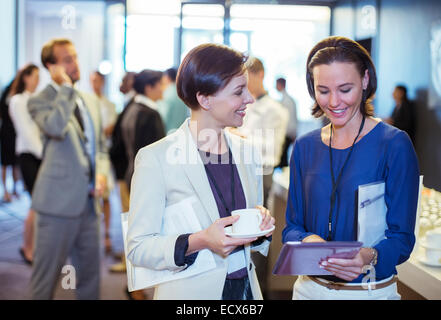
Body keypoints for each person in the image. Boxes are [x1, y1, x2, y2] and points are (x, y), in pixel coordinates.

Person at [126, 43, 275, 300]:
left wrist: (261, 225)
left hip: (247, 291)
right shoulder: (156, 158)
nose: (249, 99)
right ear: (204, 99)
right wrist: (201, 240)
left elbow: (250, 234)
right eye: (239, 91)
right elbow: (138, 247)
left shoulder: (247, 152)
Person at [282, 36, 420, 300]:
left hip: (369, 292)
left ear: (365, 81)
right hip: (308, 290)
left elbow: (402, 238)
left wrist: (369, 255)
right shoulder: (304, 146)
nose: (334, 102)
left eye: (345, 89)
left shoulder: (394, 145)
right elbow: (292, 226)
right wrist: (307, 241)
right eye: (323, 91)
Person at [28, 38, 109, 300]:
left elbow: (100, 148)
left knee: (89, 279)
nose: (75, 63)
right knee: (45, 281)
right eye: (67, 60)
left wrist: (101, 174)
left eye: (75, 57)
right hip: (56, 207)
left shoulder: (90, 100)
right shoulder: (39, 101)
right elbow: (55, 127)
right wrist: (64, 88)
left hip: (89, 205)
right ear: (51, 67)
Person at [235, 57, 288, 206]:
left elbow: (271, 149)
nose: (245, 85)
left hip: (262, 171)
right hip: (244, 168)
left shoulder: (275, 110)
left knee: (259, 218)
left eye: (248, 79)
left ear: (260, 75)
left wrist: (240, 137)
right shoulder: (247, 105)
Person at [8, 64, 41, 265]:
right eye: (35, 76)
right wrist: (44, 153)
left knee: (38, 204)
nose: (37, 80)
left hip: (36, 154)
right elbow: (27, 132)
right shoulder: (18, 100)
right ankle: (27, 247)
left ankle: (31, 246)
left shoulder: (31, 99)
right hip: (29, 155)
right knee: (36, 204)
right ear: (26, 78)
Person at [121, 69, 166, 190]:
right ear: (149, 88)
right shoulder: (150, 115)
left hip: (132, 175)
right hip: (146, 181)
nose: (163, 89)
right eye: (160, 84)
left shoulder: (132, 108)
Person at [90, 70, 117, 254]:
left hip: (105, 152)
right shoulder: (85, 101)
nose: (95, 84)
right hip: (90, 152)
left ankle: (106, 233)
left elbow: (111, 127)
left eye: (98, 81)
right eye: (93, 81)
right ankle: (91, 233)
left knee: (105, 194)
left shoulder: (109, 104)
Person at [0, 80, 20, 202]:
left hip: (15, 132)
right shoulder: (6, 94)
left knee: (14, 163)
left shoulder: (18, 95)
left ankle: (15, 189)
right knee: (5, 163)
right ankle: (5, 190)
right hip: (5, 132)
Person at [159, 67, 189, 134]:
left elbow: (163, 117)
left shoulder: (165, 94)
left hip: (167, 134)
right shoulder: (181, 93)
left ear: (167, 77)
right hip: (180, 133)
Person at [275, 77, 297, 168]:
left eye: (276, 84)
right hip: (288, 132)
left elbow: (288, 119)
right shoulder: (288, 99)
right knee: (283, 158)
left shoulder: (287, 101)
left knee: (282, 159)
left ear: (280, 85)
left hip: (286, 133)